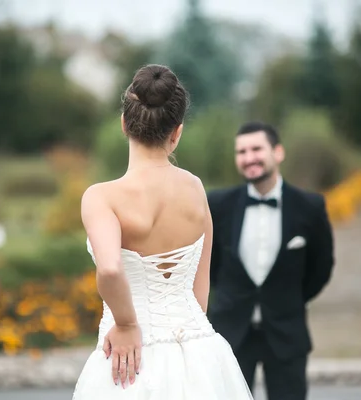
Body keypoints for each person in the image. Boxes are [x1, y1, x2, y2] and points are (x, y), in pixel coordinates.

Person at [72, 64, 253, 400]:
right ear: (177, 132)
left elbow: (110, 268)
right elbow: (200, 290)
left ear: (124, 124)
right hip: (199, 352)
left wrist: (126, 325)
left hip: (131, 357)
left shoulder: (101, 197)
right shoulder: (196, 189)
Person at [206, 121, 335, 400]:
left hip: (287, 332)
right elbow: (209, 265)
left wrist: (289, 297)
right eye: (241, 151)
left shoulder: (310, 207)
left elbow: (321, 267)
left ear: (278, 153)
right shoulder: (217, 205)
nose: (249, 157)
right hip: (230, 332)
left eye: (256, 149)